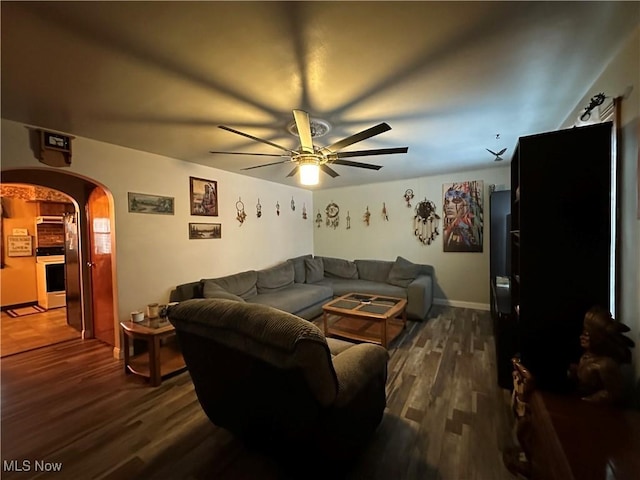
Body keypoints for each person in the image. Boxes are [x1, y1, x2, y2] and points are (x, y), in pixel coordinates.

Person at [568, 306, 635, 405]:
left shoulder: (606, 365)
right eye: (583, 333)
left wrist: (588, 400)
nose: (582, 337)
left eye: (587, 334)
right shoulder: (586, 356)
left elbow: (614, 394)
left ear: (598, 337)